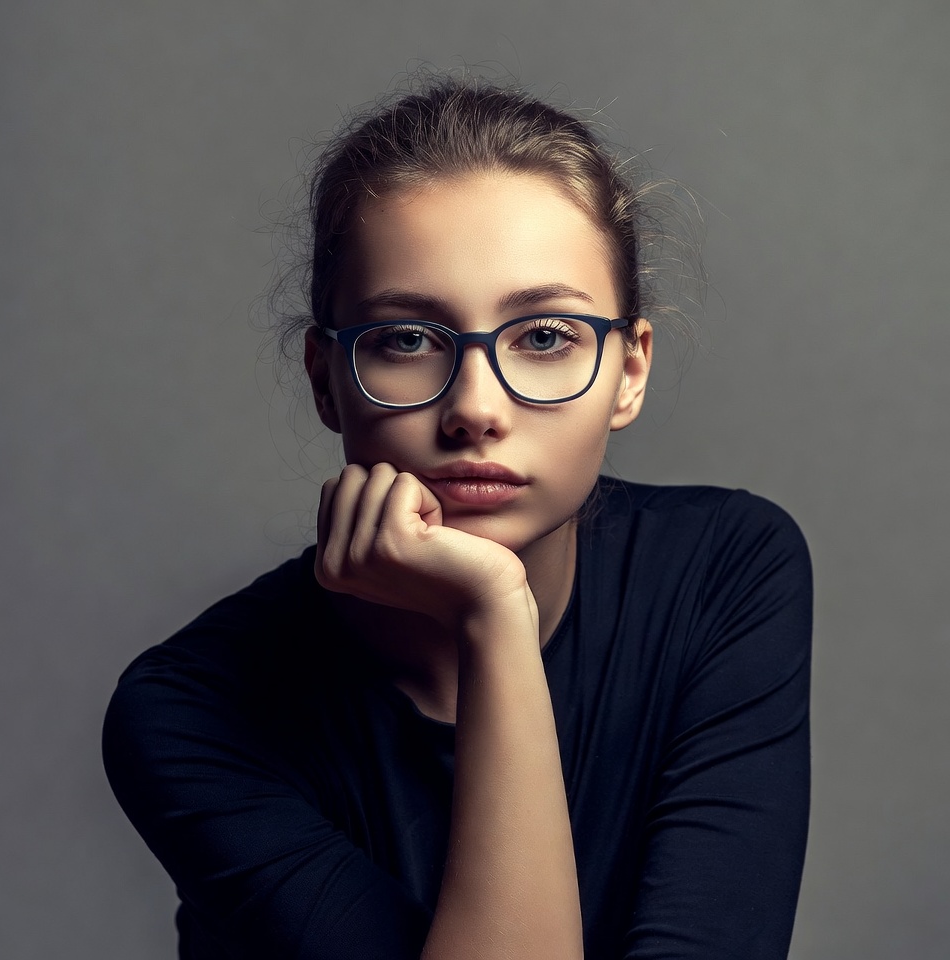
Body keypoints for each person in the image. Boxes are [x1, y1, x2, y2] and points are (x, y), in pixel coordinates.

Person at [103, 75, 812, 960]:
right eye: (407, 340)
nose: (475, 408)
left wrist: (490, 621)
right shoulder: (185, 713)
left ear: (629, 370)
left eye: (545, 336)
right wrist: (495, 620)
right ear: (326, 379)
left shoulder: (725, 572)